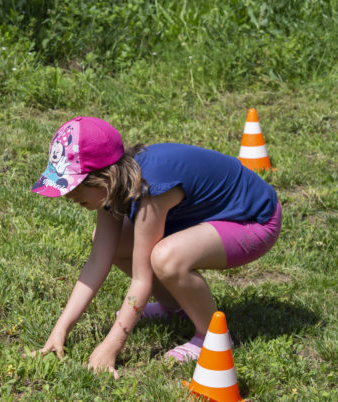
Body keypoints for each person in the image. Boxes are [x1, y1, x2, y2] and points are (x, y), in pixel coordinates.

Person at [30, 116, 281, 378]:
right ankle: (174, 306)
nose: (69, 196)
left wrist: (110, 347)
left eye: (76, 186)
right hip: (208, 216)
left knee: (165, 258)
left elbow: (142, 280)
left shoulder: (150, 188)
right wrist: (60, 329)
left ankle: (212, 337)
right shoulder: (114, 187)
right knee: (111, 243)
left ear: (105, 176)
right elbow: (97, 261)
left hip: (255, 220)